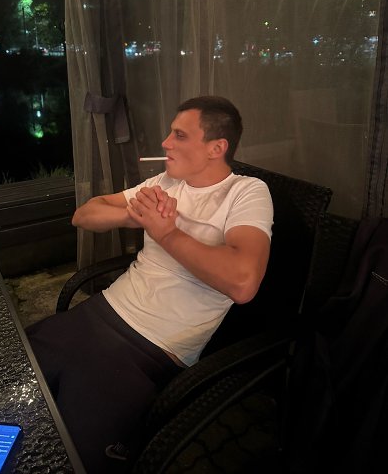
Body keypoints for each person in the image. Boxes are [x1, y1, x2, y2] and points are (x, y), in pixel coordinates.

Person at [26, 95, 273, 472]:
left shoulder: (246, 192)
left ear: (216, 147)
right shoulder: (167, 181)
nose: (165, 143)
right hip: (101, 312)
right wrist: (134, 215)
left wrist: (167, 232)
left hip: (150, 349)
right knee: (9, 384)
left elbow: (243, 282)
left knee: (70, 455)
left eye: (179, 135)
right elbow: (84, 215)